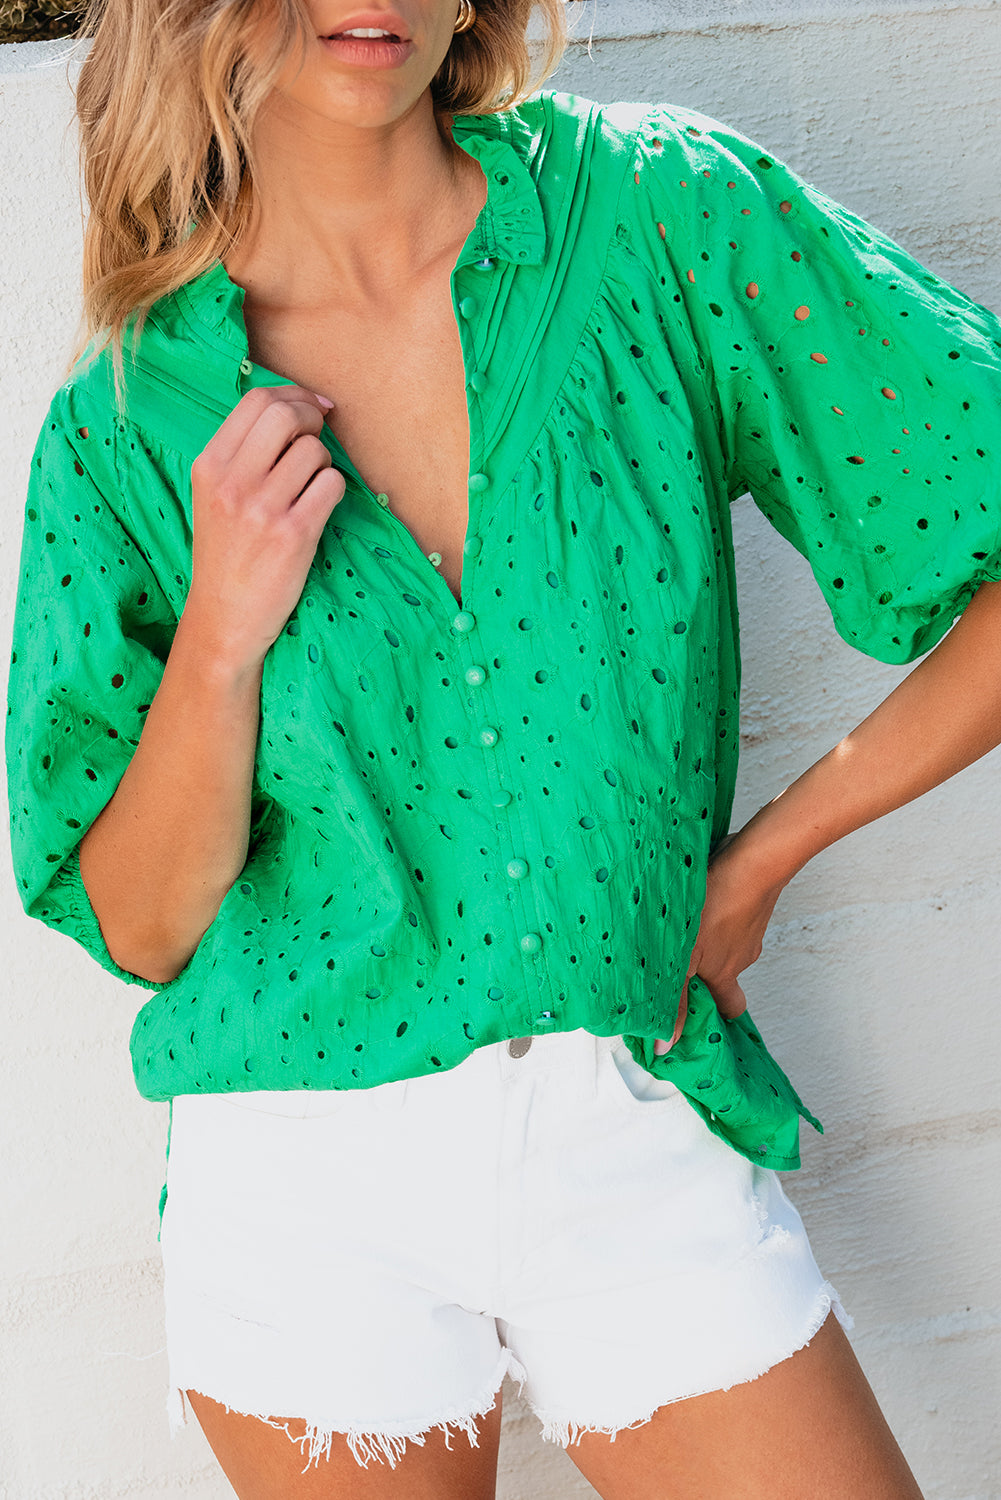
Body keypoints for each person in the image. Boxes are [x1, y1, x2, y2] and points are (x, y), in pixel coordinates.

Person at [7, 0, 1001, 1494]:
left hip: (633, 1117)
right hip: (303, 1183)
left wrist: (762, 861)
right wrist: (219, 633)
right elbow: (144, 926)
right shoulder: (128, 420)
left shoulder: (662, 222)